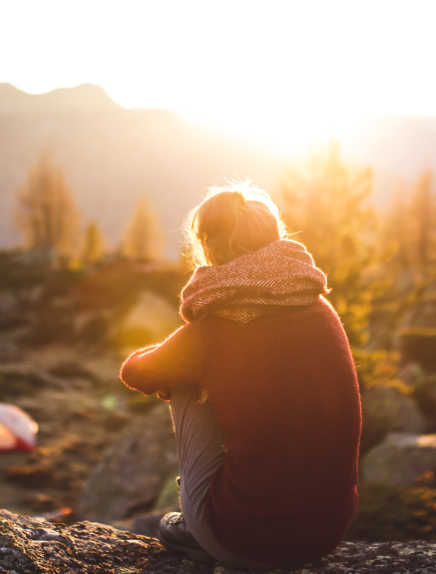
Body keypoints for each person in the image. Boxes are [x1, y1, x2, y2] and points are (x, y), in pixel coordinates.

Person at [120, 181, 361, 569]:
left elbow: (136, 372)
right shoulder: (320, 308)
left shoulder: (214, 328)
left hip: (242, 541)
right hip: (325, 535)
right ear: (274, 238)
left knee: (182, 377)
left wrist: (187, 361)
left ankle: (199, 522)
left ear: (210, 248)